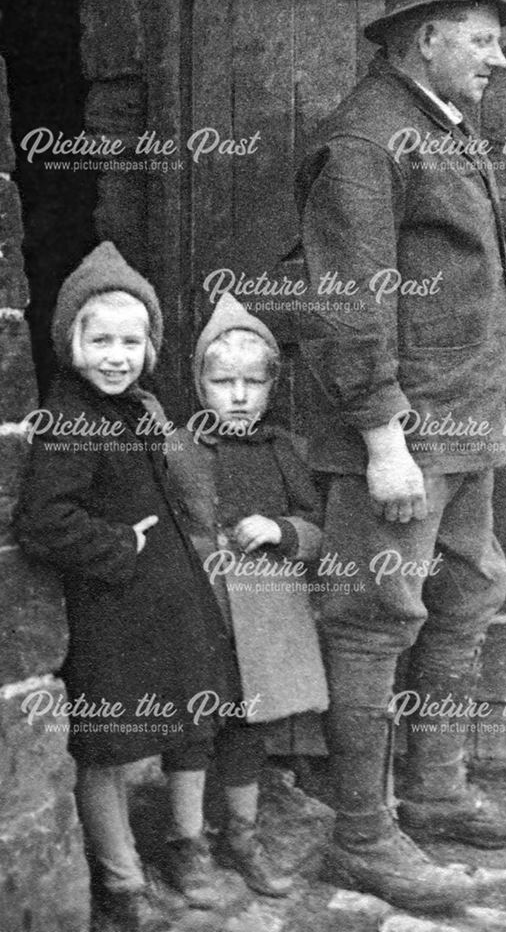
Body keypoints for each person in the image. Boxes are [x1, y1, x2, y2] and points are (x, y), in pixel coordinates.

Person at [293, 0, 506, 914]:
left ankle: (430, 792)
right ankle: (360, 835)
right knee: (374, 614)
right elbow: (347, 296)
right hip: (409, 429)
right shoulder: (362, 140)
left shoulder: (430, 122)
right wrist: (383, 436)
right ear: (422, 39)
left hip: (466, 421)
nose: (497, 59)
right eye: (479, 39)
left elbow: (439, 217)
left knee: (468, 589)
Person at [14, 242, 239, 932]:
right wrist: (120, 545)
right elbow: (43, 522)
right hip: (113, 610)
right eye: (99, 338)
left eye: (130, 340)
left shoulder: (141, 408)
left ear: (149, 347)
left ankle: (187, 845)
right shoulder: (72, 419)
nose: (116, 354)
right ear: (70, 342)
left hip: (171, 602)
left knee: (193, 719)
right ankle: (122, 883)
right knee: (106, 746)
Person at [169, 292, 327, 898]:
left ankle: (241, 835)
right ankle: (187, 844)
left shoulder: (283, 450)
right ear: (200, 384)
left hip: (262, 616)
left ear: (270, 386)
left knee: (245, 724)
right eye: (222, 381)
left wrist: (282, 530)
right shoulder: (176, 448)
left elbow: (317, 527)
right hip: (197, 611)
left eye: (251, 383)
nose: (237, 396)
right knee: (192, 724)